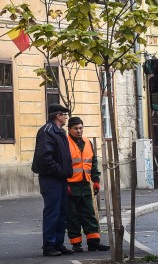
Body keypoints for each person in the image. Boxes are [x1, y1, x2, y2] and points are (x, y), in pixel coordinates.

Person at [33, 103, 74, 256]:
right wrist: (59, 170)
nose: (66, 117)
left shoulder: (59, 131)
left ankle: (58, 243)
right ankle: (49, 245)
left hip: (60, 178)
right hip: (51, 178)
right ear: (58, 116)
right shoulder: (48, 131)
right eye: (64, 115)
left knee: (62, 212)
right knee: (52, 212)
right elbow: (44, 157)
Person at [65, 116, 110, 252]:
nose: (79, 131)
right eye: (76, 129)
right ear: (69, 129)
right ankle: (76, 244)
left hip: (85, 183)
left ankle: (93, 242)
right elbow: (63, 165)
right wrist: (64, 183)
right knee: (72, 216)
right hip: (71, 184)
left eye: (81, 128)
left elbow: (93, 163)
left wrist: (96, 180)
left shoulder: (87, 143)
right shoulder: (65, 143)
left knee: (89, 214)